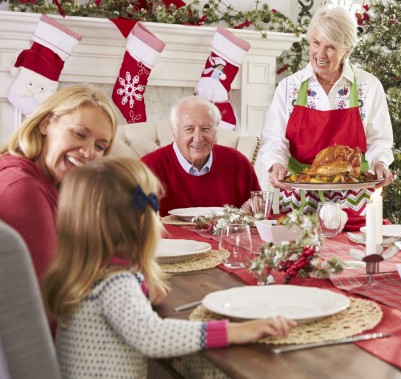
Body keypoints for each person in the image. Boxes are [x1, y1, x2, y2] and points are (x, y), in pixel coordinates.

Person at [42, 157, 295, 378]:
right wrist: (236, 331)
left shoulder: (91, 273)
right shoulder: (115, 282)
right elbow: (153, 336)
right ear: (142, 221)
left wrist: (141, 290)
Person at [260, 6, 394, 219]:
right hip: (300, 192)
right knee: (300, 249)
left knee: (353, 250)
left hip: (354, 194)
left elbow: (379, 139)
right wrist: (276, 163)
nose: (320, 54)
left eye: (331, 47)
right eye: (316, 43)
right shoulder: (289, 87)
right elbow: (275, 139)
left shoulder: (368, 86)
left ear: (347, 51)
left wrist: (380, 162)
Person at [0, 84, 117, 279]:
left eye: (100, 146)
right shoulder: (22, 188)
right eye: (79, 134)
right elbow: (47, 296)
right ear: (45, 124)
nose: (89, 152)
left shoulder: (53, 183)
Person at [142, 96, 260, 216]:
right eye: (189, 129)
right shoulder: (148, 168)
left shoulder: (238, 163)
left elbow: (261, 214)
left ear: (215, 132)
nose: (198, 138)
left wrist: (253, 208)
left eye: (205, 128)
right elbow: (131, 224)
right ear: (175, 133)